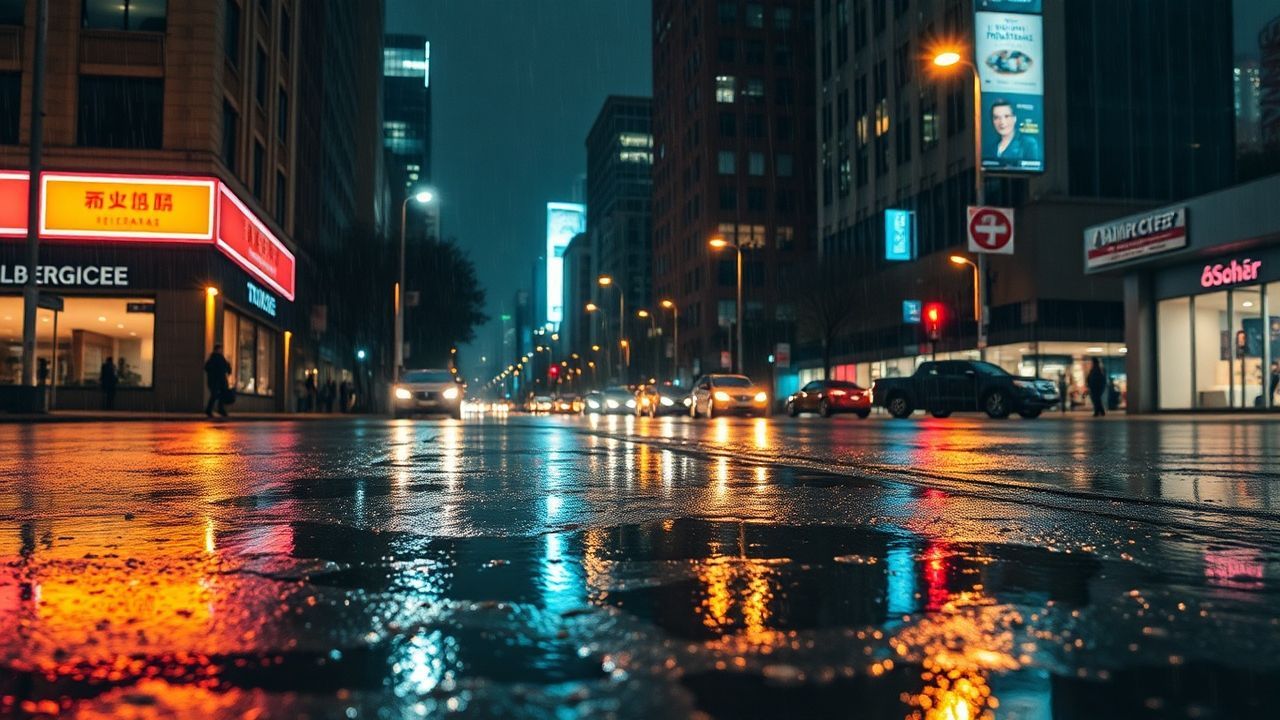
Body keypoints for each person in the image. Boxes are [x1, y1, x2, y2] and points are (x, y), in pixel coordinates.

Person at [990, 99, 1041, 166]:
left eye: (1006, 116)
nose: (1002, 122)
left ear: (1014, 118)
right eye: (996, 117)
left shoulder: (1028, 143)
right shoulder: (992, 147)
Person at [204, 344, 232, 417]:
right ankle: (218, 409)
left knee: (215, 395)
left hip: (213, 381)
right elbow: (227, 369)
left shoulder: (211, 359)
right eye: (221, 349)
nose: (221, 351)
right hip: (220, 381)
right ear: (219, 350)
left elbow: (206, 368)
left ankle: (210, 410)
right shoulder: (220, 358)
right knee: (220, 395)